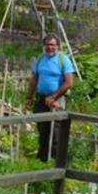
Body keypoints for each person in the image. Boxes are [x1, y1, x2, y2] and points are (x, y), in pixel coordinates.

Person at [28, 34, 75, 163]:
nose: (50, 48)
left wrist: (54, 97)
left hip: (57, 99)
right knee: (42, 129)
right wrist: (29, 97)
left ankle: (56, 161)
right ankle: (42, 160)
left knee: (56, 131)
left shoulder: (63, 60)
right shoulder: (41, 59)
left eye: (52, 45)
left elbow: (69, 82)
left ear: (58, 47)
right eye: (47, 45)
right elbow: (35, 79)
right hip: (41, 98)